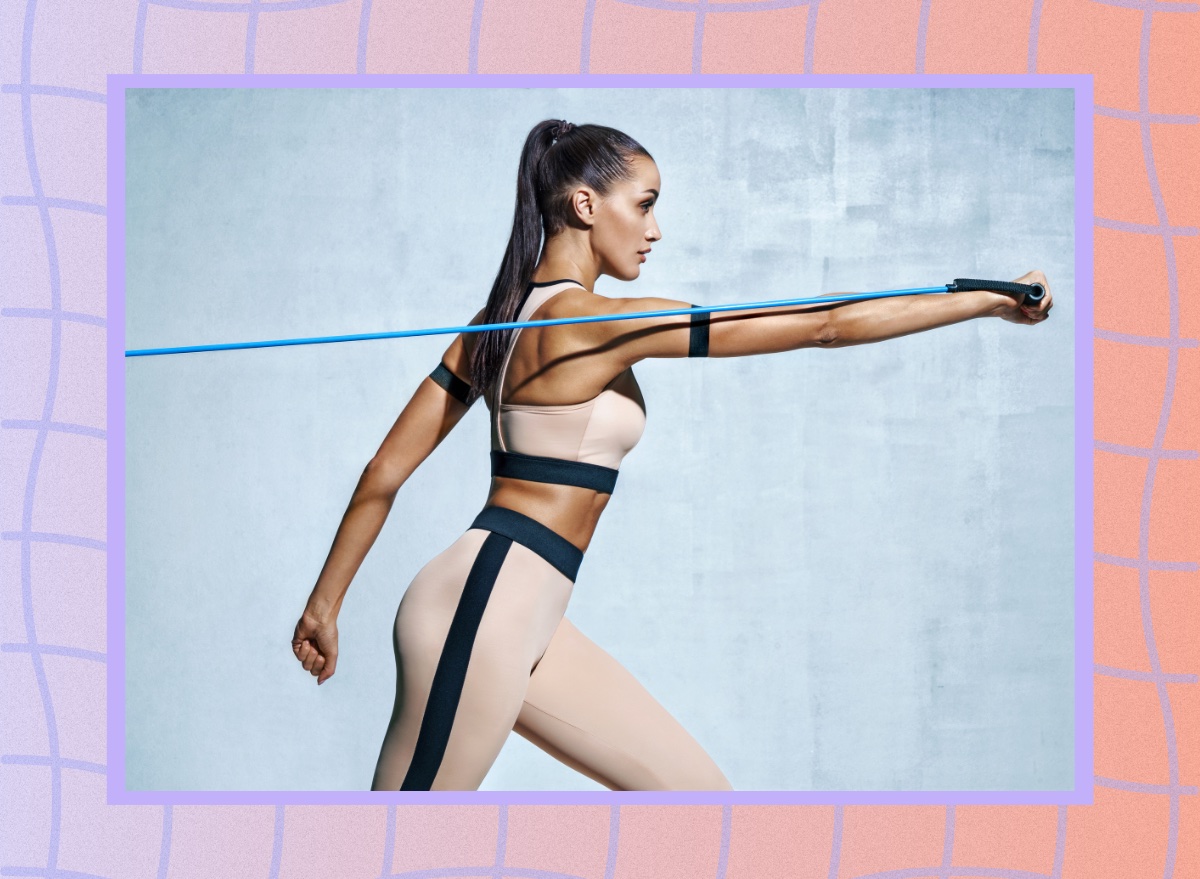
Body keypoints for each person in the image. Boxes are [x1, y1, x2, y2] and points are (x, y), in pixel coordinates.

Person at [290, 118, 1053, 792]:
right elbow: (819, 325)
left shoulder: (495, 324)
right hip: (482, 603)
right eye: (645, 203)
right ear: (586, 205)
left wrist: (327, 603)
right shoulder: (591, 323)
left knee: (698, 803)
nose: (655, 229)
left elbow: (380, 474)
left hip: (527, 613)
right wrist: (982, 300)